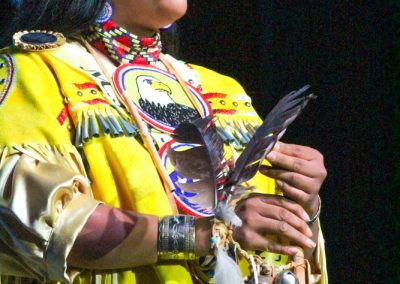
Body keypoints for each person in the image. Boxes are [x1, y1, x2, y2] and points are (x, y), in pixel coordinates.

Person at [0, 0, 328, 283]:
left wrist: (303, 207)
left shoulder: (223, 91)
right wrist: (203, 235)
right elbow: (41, 223)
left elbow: (274, 252)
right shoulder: (32, 73)